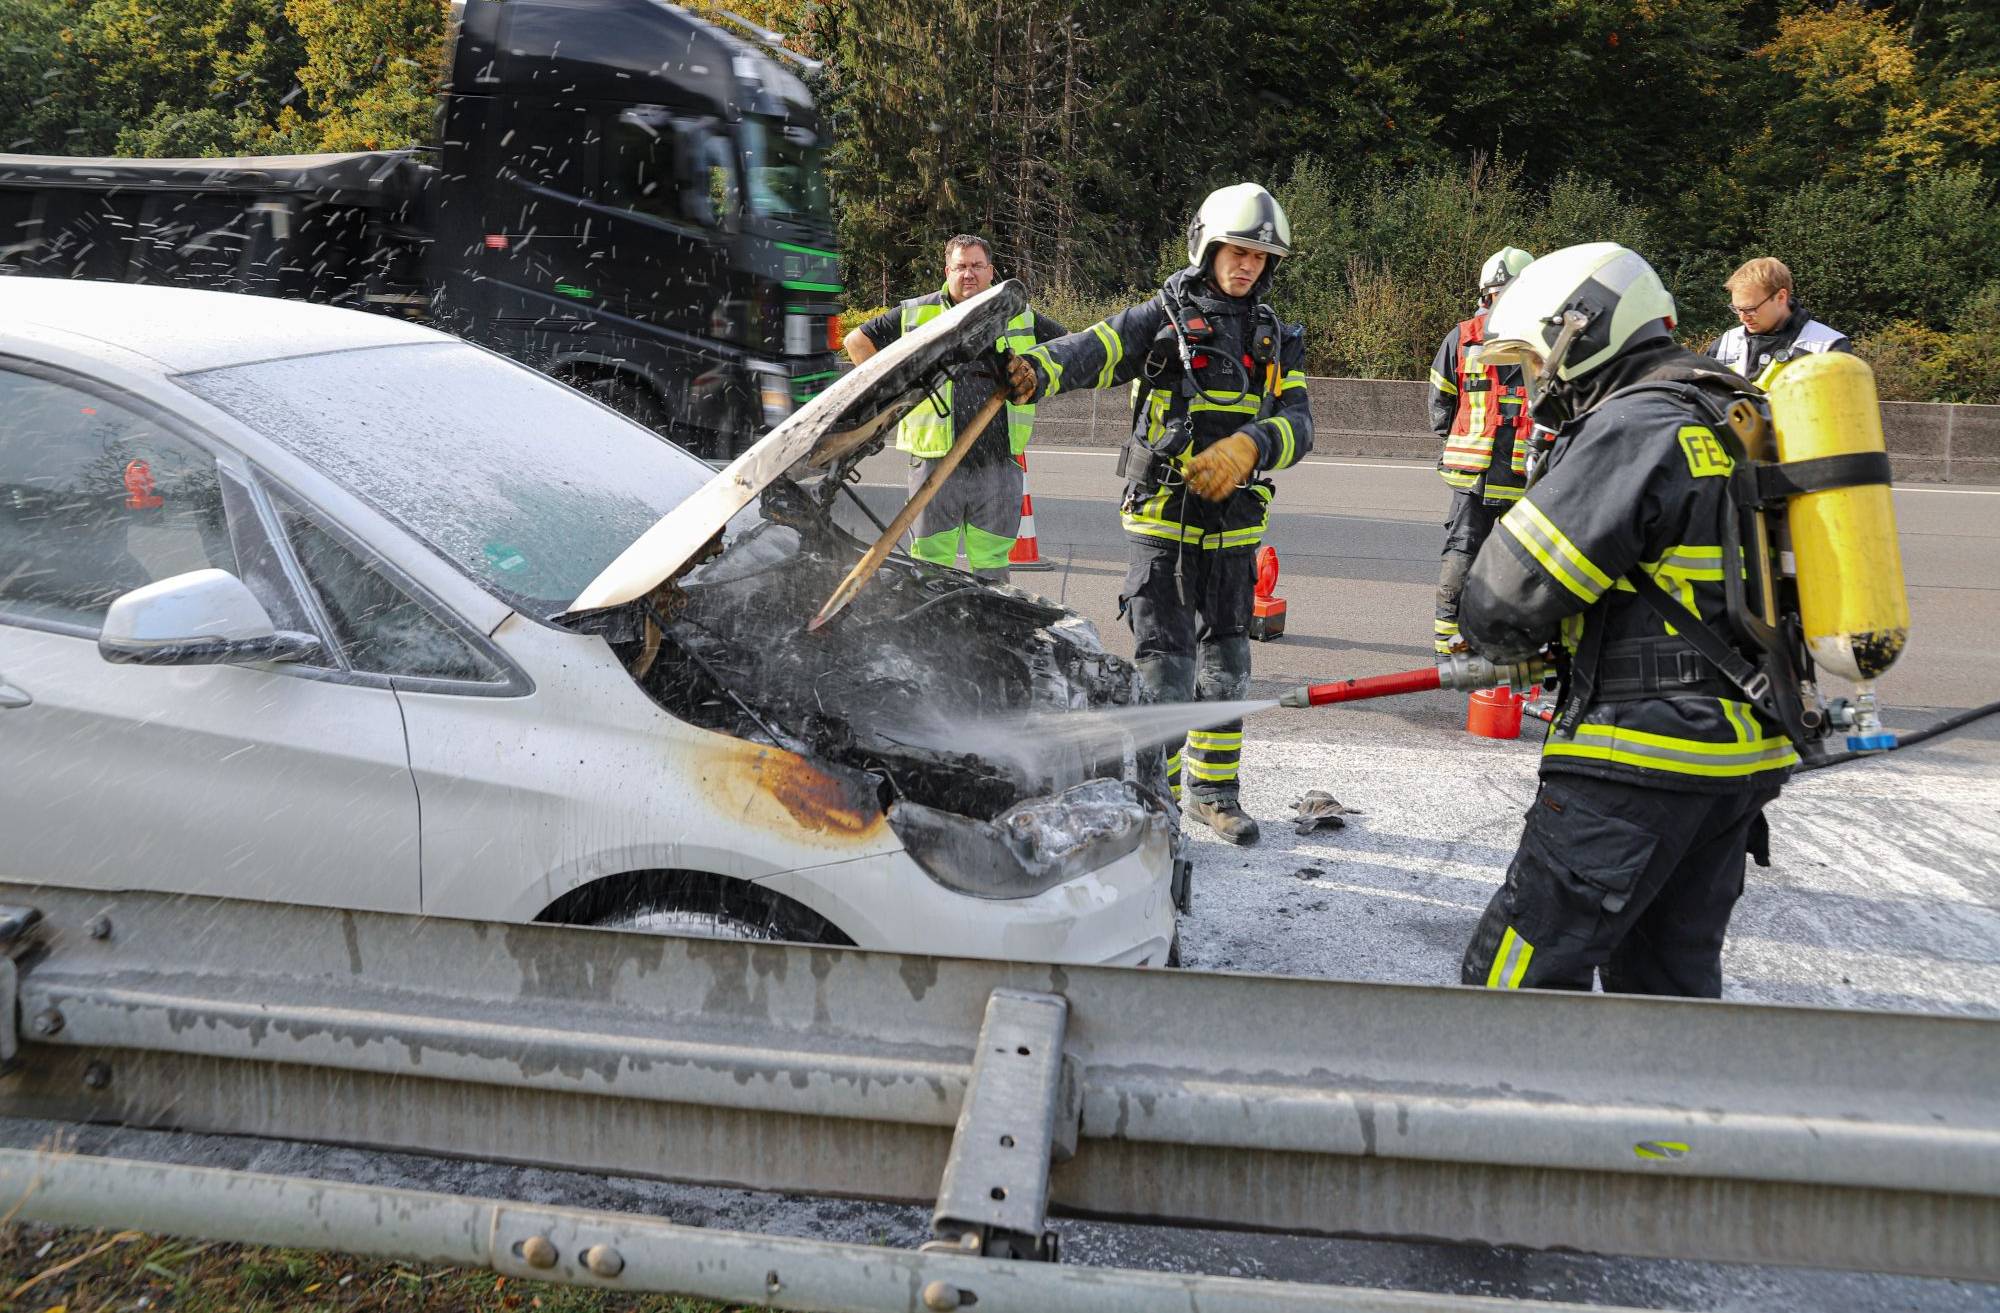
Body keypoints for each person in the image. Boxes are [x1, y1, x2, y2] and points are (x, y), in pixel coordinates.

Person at [1455, 242, 1797, 997]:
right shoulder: (1735, 410)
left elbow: (1501, 602)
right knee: (1665, 987)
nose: (1537, 381)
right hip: (1739, 762)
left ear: (1583, 329)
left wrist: (1510, 635)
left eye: (1536, 358)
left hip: (1639, 758)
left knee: (1510, 983)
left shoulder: (1634, 426)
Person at [1006, 183, 1313, 845]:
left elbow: (1301, 425)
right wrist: (1035, 370)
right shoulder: (1162, 317)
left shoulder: (1275, 337)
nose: (1248, 265)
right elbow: (1093, 350)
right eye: (1237, 251)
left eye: (1260, 256)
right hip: (1163, 523)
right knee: (1166, 672)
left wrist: (1254, 443)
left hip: (1234, 527)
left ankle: (1214, 796)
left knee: (1227, 668)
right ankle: (1155, 800)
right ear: (1207, 247)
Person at [843, 235, 1065, 583]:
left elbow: (1067, 347)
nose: (969, 274)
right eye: (961, 266)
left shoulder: (1018, 315)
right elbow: (856, 342)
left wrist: (1038, 373)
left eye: (977, 266)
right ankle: (934, 616)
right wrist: (890, 392)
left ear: (991, 271)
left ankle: (987, 615)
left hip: (997, 461)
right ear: (947, 271)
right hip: (935, 463)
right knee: (929, 564)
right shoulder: (918, 312)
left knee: (992, 564)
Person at [1428, 245, 1535, 655]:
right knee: (1491, 559)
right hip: (1501, 474)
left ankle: (1464, 644)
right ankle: (1460, 644)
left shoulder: (1465, 338)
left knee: (1484, 557)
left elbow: (1440, 405)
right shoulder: (1541, 342)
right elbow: (1441, 401)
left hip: (1501, 473)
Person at [1705, 257, 1849, 387]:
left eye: (1750, 309)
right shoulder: (1724, 344)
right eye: (1737, 309)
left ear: (1781, 297)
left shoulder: (1829, 347)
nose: (1742, 318)